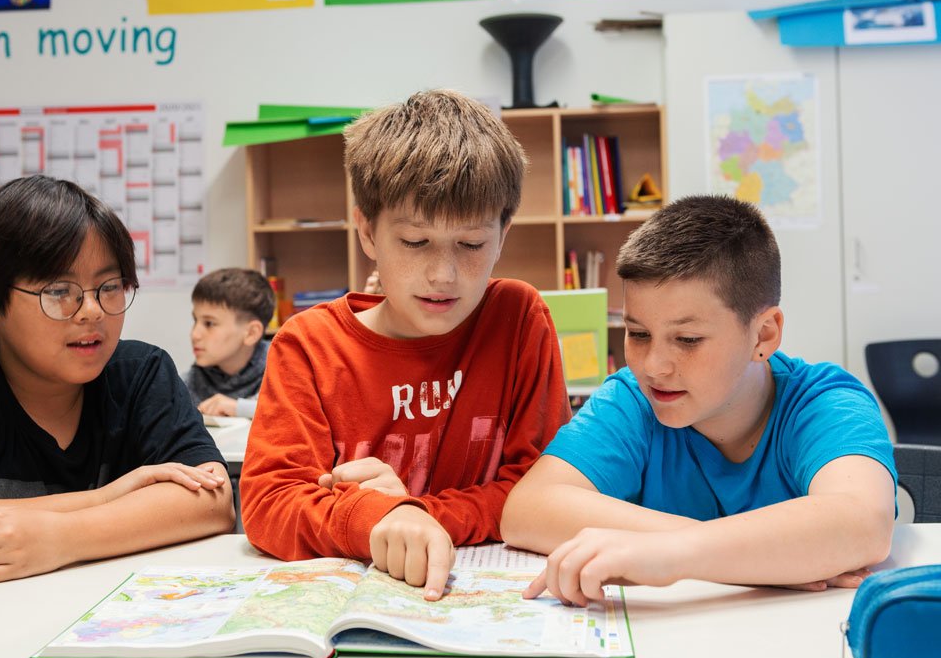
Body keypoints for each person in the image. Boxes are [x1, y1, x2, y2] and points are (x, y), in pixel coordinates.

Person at [240, 89, 571, 600]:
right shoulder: (309, 345)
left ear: (503, 234)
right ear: (367, 233)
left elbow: (543, 492)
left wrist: (412, 515)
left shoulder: (518, 319)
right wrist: (378, 520)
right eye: (415, 242)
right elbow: (269, 502)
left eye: (471, 244)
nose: (443, 275)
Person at [502, 195, 897, 606]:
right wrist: (758, 560)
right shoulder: (633, 400)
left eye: (688, 340)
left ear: (763, 335)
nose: (653, 366)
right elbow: (527, 509)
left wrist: (675, 555)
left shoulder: (823, 402)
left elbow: (863, 522)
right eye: (638, 334)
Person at [0, 176, 233, 583]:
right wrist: (103, 499)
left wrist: (63, 537)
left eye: (110, 287)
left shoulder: (141, 372)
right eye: (59, 291)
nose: (92, 310)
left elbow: (214, 500)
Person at [185, 267, 275, 418]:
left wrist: (239, 408)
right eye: (195, 320)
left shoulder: (281, 367)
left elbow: (292, 412)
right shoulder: (191, 380)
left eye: (209, 323)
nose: (194, 334)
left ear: (251, 333)